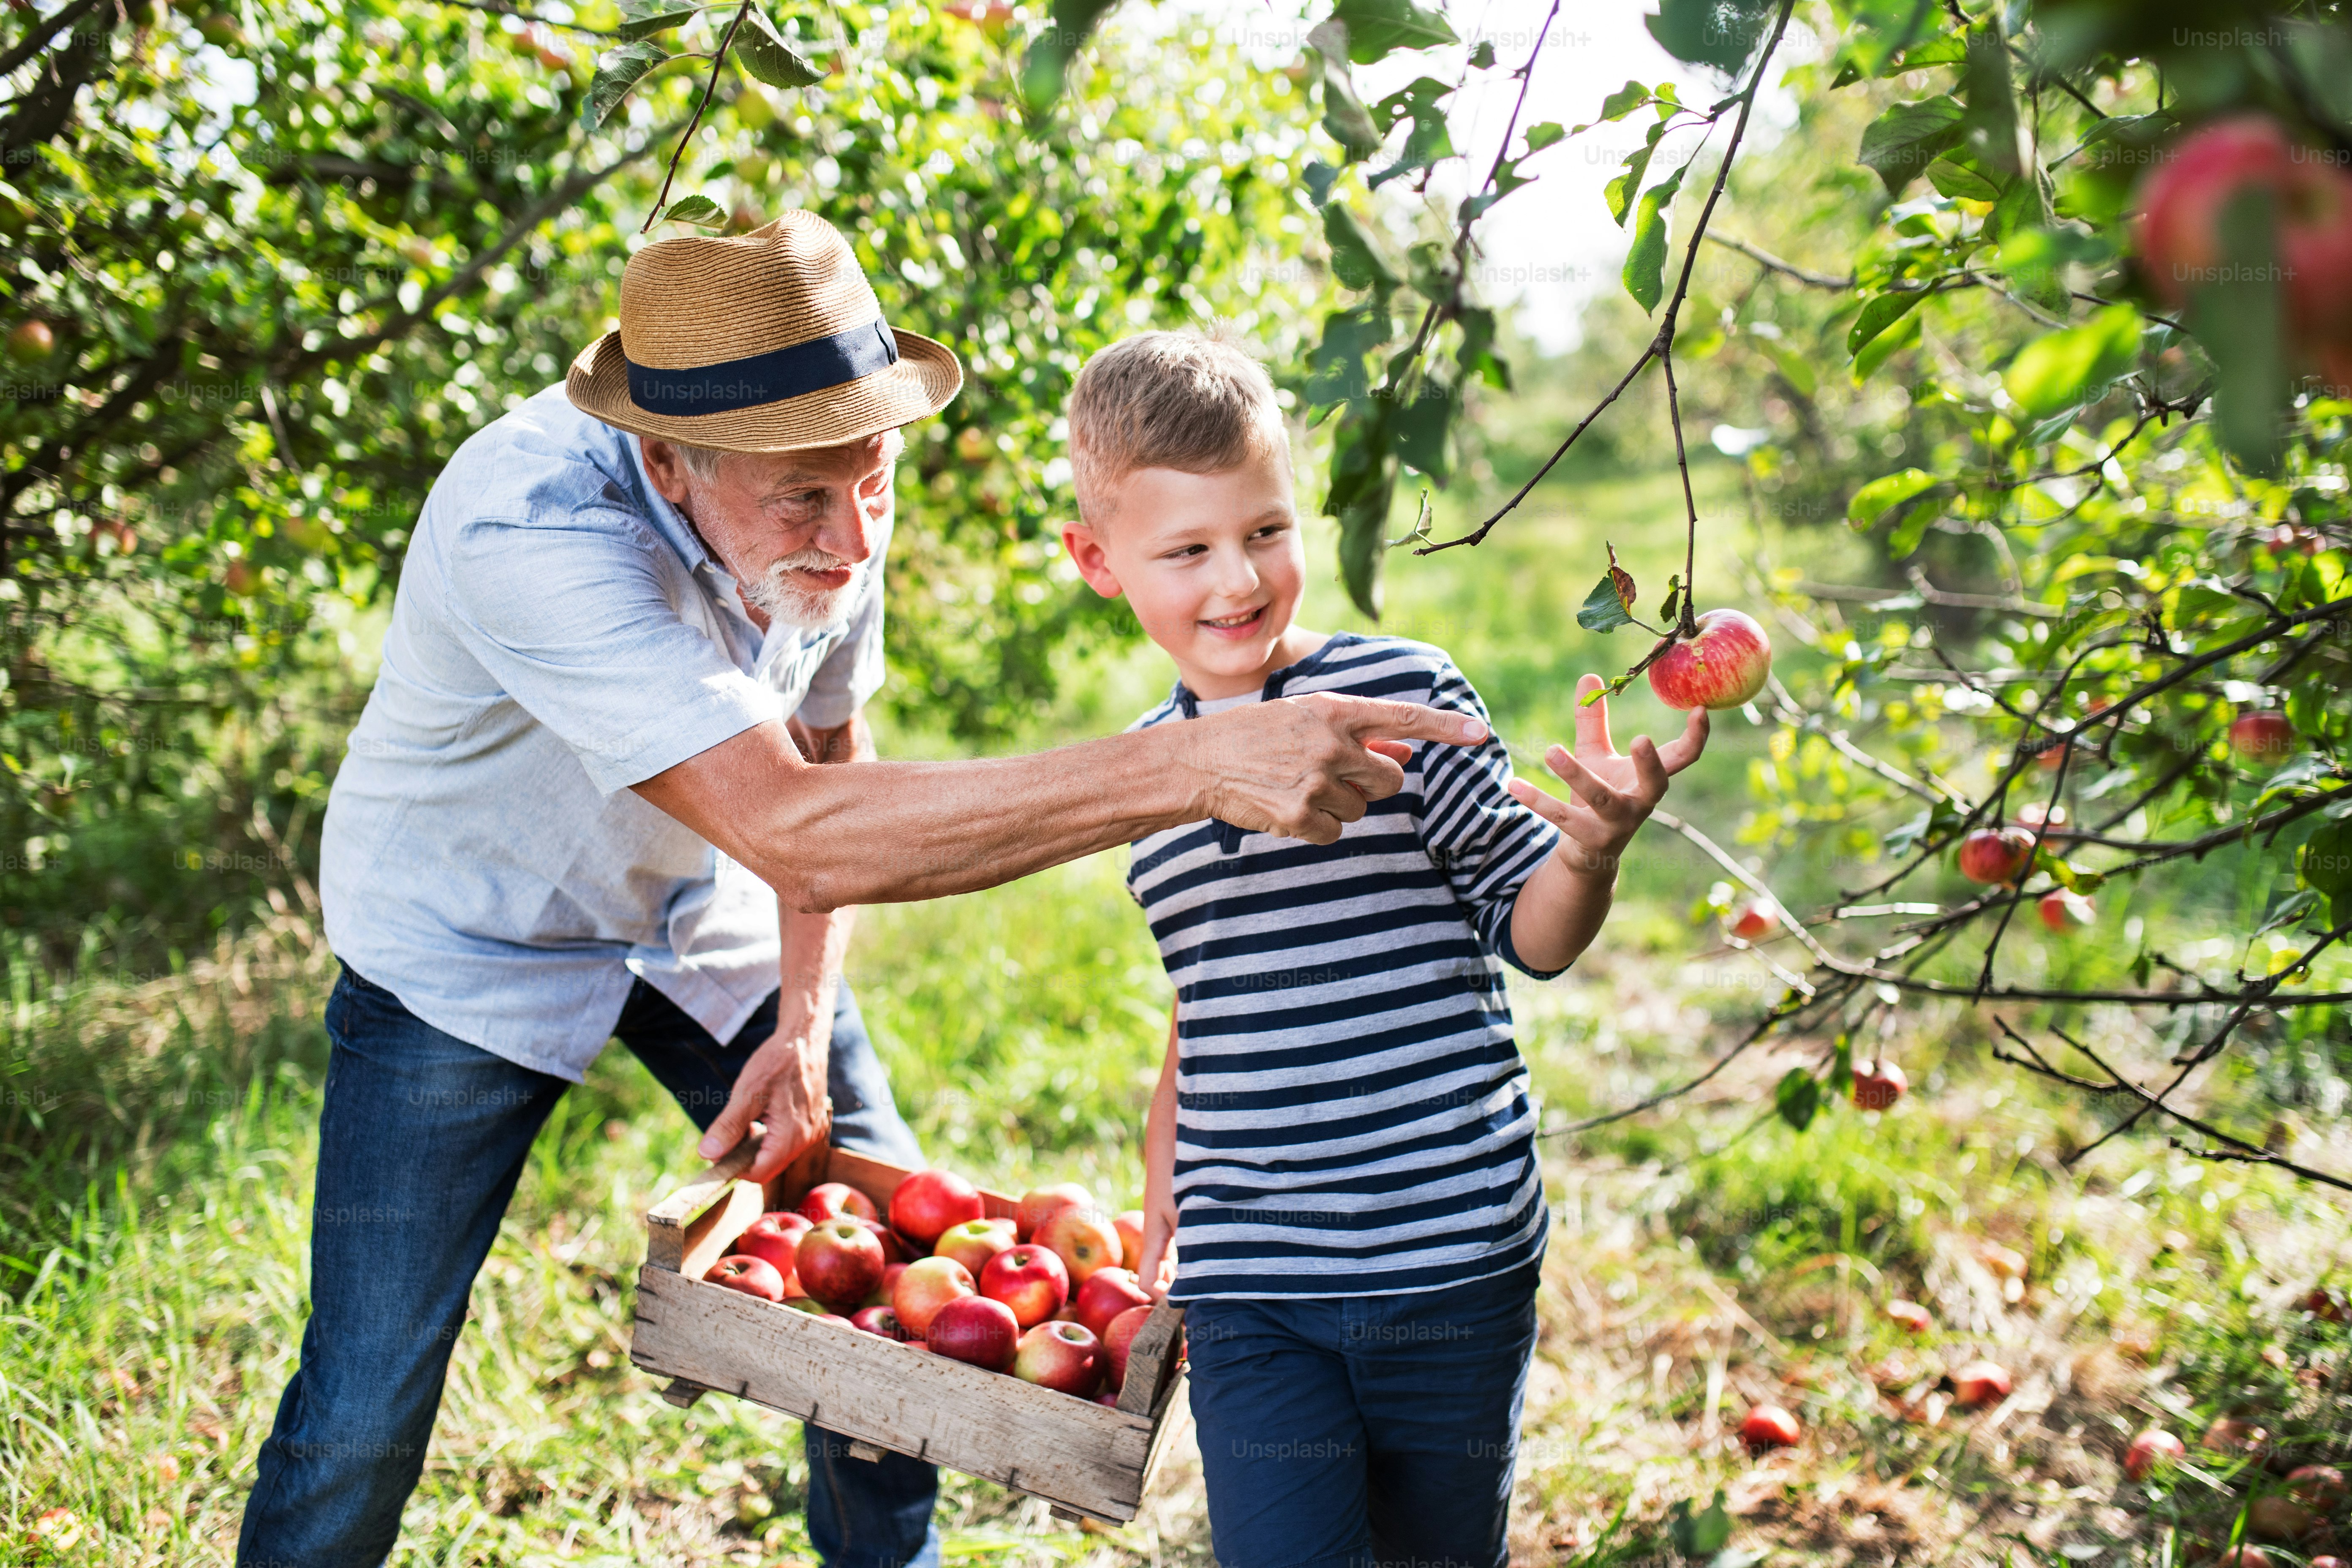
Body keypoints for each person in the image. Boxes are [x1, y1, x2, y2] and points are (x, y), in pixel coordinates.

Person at [236, 213, 1487, 1568]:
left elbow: (827, 744)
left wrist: (802, 1010)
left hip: (704, 909)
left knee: (879, 1311)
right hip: (472, 930)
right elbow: (800, 825)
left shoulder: (829, 484)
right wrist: (1193, 764)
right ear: (669, 458)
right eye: (805, 503)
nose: (851, 536)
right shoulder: (527, 521)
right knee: (366, 1397)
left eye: (875, 482)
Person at [1059, 332, 1711, 1566]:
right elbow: (1209, 1002)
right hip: (1258, 1285)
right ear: (1100, 561)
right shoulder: (1142, 783)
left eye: (1265, 531)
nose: (1237, 580)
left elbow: (1535, 932)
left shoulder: (1403, 697)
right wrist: (1168, 1174)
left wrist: (1589, 855)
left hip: (1449, 1260)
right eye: (1187, 549)